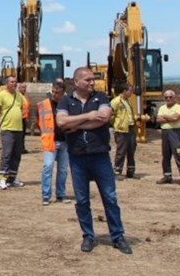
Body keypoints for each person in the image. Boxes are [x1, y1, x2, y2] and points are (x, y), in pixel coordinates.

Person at [56, 67, 132, 254]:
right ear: (76, 82)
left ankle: (117, 236)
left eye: (93, 79)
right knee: (82, 200)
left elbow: (104, 118)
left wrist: (76, 123)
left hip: (100, 156)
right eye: (88, 80)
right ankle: (88, 236)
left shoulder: (101, 97)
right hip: (78, 157)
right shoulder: (66, 100)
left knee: (110, 197)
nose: (92, 82)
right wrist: (89, 116)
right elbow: (61, 122)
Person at [38, 81, 71, 205]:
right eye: (53, 92)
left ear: (62, 93)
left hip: (65, 142)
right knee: (48, 167)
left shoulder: (67, 105)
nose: (54, 94)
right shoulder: (44, 105)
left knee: (63, 170)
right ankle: (46, 196)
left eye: (57, 93)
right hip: (50, 142)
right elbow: (39, 121)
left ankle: (61, 194)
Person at [0, 76, 26, 189]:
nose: (14, 84)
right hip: (7, 129)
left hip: (19, 129)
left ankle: (11, 179)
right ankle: (2, 179)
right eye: (12, 82)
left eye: (15, 82)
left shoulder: (19, 96)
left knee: (16, 155)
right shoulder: (1, 95)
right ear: (7, 83)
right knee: (7, 154)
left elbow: (20, 108)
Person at [155, 90, 180, 186]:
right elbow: (158, 119)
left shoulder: (178, 107)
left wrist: (165, 117)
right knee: (165, 155)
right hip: (165, 133)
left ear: (174, 98)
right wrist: (170, 117)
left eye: (170, 97)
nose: (168, 99)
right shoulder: (162, 107)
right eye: (166, 97)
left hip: (175, 132)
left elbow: (175, 118)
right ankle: (167, 176)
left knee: (179, 154)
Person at [110, 83, 137, 178]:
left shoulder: (127, 101)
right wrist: (117, 125)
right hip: (121, 130)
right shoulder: (116, 101)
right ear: (125, 91)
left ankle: (130, 170)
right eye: (130, 90)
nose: (132, 93)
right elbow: (111, 115)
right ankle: (117, 171)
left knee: (131, 149)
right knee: (121, 151)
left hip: (130, 128)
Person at [18, 82, 31, 153]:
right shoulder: (18, 96)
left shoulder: (26, 97)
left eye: (25, 87)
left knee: (22, 134)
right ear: (19, 88)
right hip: (19, 118)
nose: (24, 89)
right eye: (23, 87)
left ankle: (22, 147)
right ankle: (19, 148)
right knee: (19, 135)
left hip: (24, 117)